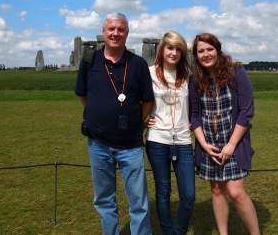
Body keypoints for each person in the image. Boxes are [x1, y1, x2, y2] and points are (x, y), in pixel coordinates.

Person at [75, 12, 154, 235]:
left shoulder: (137, 64)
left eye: (120, 29)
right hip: (97, 142)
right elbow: (83, 96)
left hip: (131, 144)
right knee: (104, 199)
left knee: (138, 201)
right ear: (103, 32)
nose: (115, 33)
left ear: (127, 34)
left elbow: (147, 100)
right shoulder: (89, 61)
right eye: (111, 29)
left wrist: (135, 122)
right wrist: (98, 116)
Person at [189, 33, 260, 235]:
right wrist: (203, 144)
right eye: (201, 51)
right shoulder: (195, 79)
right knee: (217, 190)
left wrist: (231, 145)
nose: (206, 54)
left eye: (209, 49)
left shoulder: (236, 73)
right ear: (196, 55)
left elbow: (246, 111)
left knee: (236, 192)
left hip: (234, 143)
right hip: (209, 144)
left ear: (218, 50)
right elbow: (194, 115)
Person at [145, 32, 195, 235]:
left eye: (178, 49)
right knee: (163, 192)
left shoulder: (188, 75)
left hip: (183, 139)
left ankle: (179, 231)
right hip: (157, 139)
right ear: (162, 49)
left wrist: (195, 121)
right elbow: (136, 100)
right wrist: (142, 119)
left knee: (189, 195)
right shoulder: (148, 73)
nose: (174, 53)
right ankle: (167, 231)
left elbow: (196, 105)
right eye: (170, 48)